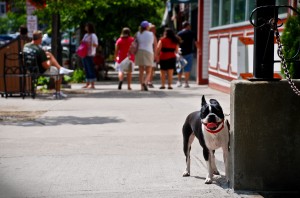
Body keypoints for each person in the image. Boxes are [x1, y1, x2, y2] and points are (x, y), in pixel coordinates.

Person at [23, 30, 74, 98]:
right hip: (39, 70)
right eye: (41, 38)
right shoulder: (39, 50)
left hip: (28, 68)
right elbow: (46, 66)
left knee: (48, 53)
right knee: (57, 71)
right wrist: (49, 60)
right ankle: (57, 92)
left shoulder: (26, 45)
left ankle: (61, 68)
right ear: (39, 38)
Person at [177, 21, 198, 88]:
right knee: (187, 68)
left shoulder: (179, 33)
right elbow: (196, 42)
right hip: (189, 52)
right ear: (188, 26)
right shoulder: (192, 33)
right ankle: (186, 83)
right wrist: (199, 50)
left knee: (180, 67)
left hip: (180, 53)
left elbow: (177, 44)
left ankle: (179, 82)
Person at [134, 21, 154, 91]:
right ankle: (145, 82)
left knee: (141, 71)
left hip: (139, 51)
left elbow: (135, 42)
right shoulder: (151, 34)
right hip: (148, 52)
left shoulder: (138, 34)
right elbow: (152, 43)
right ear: (147, 27)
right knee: (149, 71)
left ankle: (141, 86)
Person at [81, 22, 98, 89]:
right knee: (86, 69)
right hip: (84, 54)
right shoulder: (85, 35)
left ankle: (92, 84)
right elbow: (83, 42)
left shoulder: (93, 35)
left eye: (86, 26)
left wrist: (89, 44)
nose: (85, 27)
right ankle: (87, 83)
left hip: (90, 54)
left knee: (90, 69)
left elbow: (96, 44)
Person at [148, 24, 158, 88]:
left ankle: (146, 81)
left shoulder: (145, 35)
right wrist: (156, 55)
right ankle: (149, 81)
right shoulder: (153, 36)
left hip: (145, 53)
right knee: (151, 69)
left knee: (146, 68)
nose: (155, 30)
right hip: (151, 54)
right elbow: (155, 46)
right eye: (154, 29)